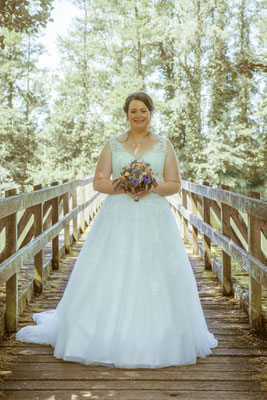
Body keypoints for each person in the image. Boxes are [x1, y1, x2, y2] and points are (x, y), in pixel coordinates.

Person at [16, 91, 218, 368]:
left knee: (155, 272)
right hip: (117, 217)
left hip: (153, 218)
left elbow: (174, 183)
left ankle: (161, 336)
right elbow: (99, 181)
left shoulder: (164, 145)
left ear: (150, 113)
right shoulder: (113, 144)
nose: (138, 116)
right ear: (127, 114)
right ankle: (98, 335)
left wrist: (150, 187)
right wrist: (123, 185)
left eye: (143, 111)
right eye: (133, 111)